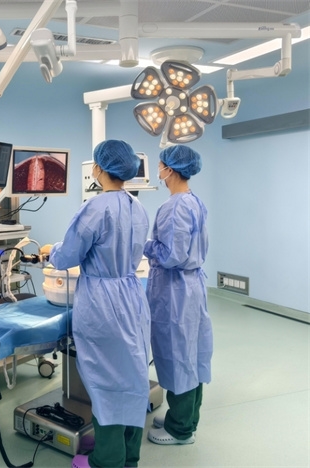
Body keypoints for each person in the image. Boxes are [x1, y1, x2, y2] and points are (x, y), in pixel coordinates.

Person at [40, 139, 151, 468]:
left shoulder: (95, 207)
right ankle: (128, 454)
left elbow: (67, 256)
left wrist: (50, 251)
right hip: (131, 296)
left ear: (99, 169)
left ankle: (106, 459)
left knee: (106, 382)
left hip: (102, 303)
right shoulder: (137, 206)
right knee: (132, 377)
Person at [144, 145, 213, 446]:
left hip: (175, 291)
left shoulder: (174, 207)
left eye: (160, 165)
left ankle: (180, 430)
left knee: (178, 357)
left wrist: (144, 245)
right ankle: (184, 418)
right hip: (190, 286)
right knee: (191, 355)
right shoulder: (193, 201)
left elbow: (172, 255)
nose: (158, 170)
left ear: (169, 170)